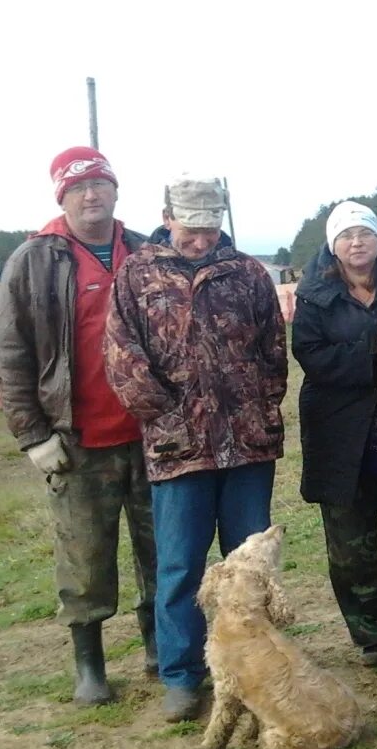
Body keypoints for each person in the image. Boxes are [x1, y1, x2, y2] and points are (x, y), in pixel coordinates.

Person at [104, 177, 287, 721]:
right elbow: (121, 355)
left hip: (248, 449)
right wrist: (168, 415)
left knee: (248, 566)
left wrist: (256, 407)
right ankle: (182, 675)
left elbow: (274, 351)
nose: (202, 240)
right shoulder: (137, 274)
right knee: (181, 566)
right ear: (167, 217)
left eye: (210, 229)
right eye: (191, 229)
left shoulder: (248, 273)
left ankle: (257, 668)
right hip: (178, 450)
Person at [0, 147, 158, 705]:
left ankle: (164, 650)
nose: (92, 196)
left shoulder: (144, 252)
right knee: (85, 559)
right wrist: (33, 435)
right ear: (61, 197)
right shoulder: (35, 261)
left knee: (165, 552)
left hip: (154, 437)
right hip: (77, 440)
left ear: (116, 191)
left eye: (100, 185)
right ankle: (90, 664)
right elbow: (10, 354)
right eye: (79, 188)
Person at [291, 201, 377, 666]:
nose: (356, 242)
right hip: (339, 435)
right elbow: (314, 358)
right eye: (346, 236)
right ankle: (369, 635)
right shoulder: (314, 295)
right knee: (350, 546)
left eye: (364, 233)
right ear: (332, 244)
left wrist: (359, 355)